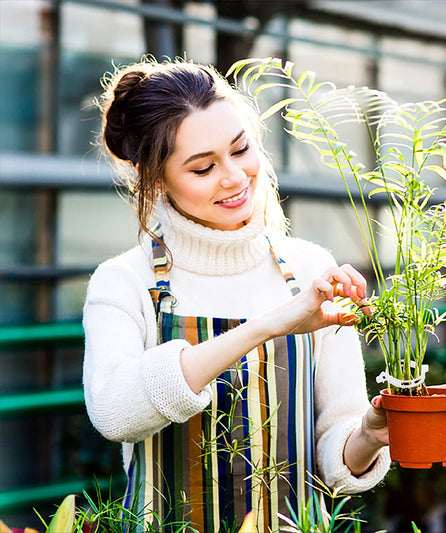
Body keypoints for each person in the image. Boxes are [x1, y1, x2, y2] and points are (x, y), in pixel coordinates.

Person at [82, 57, 390, 533]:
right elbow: (114, 413)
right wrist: (270, 324)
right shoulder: (124, 280)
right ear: (158, 179)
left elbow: (335, 462)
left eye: (241, 149)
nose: (234, 177)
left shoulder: (310, 269)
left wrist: (368, 435)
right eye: (203, 168)